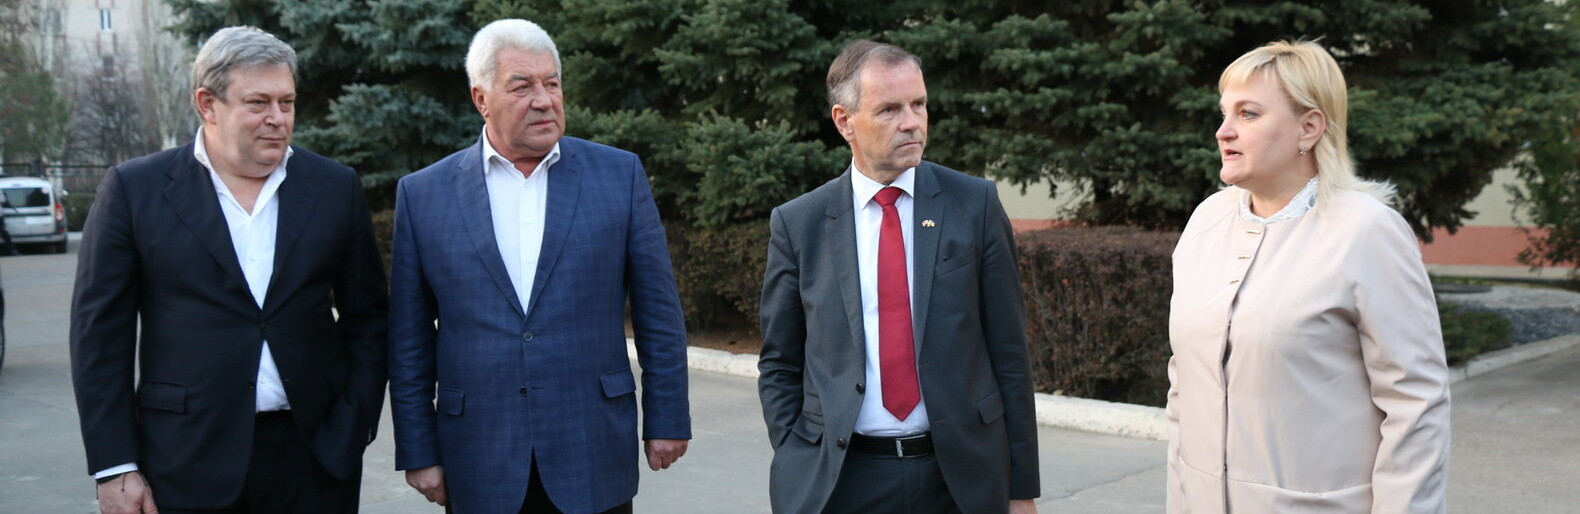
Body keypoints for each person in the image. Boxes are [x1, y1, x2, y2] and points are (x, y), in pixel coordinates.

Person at [69, 26, 389, 513]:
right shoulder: (134, 191)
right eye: (258, 103)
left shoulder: (334, 187)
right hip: (183, 459)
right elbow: (99, 338)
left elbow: (368, 317)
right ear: (208, 104)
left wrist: (354, 420)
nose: (277, 118)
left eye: (287, 102)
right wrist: (114, 465)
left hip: (315, 459)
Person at [387, 19, 691, 514]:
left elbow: (659, 312)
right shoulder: (424, 195)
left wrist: (668, 418)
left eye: (552, 83)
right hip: (478, 456)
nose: (544, 100)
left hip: (591, 446)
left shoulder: (619, 175)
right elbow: (409, 340)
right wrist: (419, 450)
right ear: (481, 99)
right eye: (522, 86)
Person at [1166, 40, 1451, 513]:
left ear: (1309, 128)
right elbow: (1183, 390)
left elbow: (1415, 405)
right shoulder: (1205, 222)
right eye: (1224, 113)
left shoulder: (1367, 231)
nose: (1223, 131)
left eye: (1248, 114)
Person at [757, 39, 1040, 514]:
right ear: (844, 122)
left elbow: (1009, 353)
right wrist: (794, 452)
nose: (912, 121)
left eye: (919, 104)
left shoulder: (974, 205)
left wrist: (1021, 489)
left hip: (960, 479)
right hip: (843, 482)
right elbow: (780, 362)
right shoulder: (799, 223)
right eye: (889, 109)